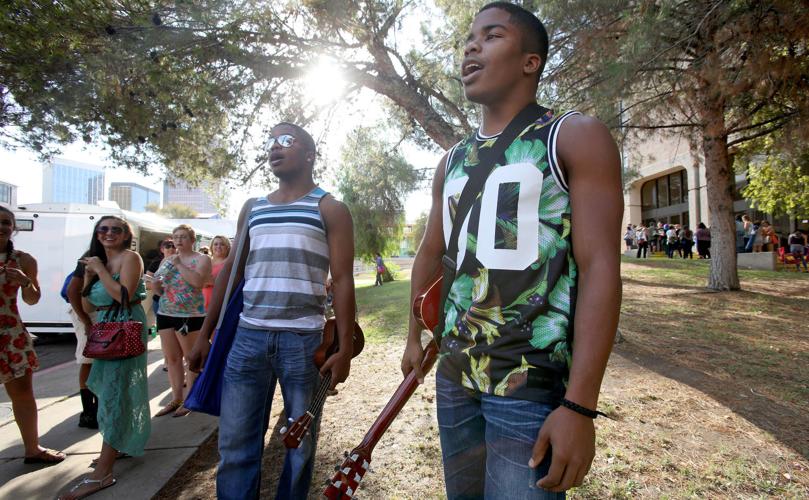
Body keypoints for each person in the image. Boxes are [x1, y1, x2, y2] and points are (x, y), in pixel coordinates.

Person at [401, 3, 623, 497]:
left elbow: (601, 267)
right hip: (455, 377)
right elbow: (430, 253)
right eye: (468, 38)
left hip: (531, 386)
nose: (471, 46)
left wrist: (581, 406)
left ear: (531, 61)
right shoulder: (451, 160)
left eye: (492, 35)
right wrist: (414, 337)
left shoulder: (574, 136)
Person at [188, 122, 357, 500]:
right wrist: (205, 336)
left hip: (303, 344)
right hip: (247, 341)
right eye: (270, 142)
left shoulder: (330, 208)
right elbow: (231, 273)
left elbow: (343, 280)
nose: (274, 148)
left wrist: (344, 349)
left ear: (310, 154)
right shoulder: (253, 208)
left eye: (286, 140)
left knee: (301, 447)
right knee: (235, 447)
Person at [59, 216, 150, 499]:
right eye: (103, 229)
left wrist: (99, 271)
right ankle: (118, 444)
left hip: (125, 328)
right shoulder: (96, 262)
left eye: (115, 229)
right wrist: (90, 275)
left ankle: (103, 474)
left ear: (126, 235)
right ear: (97, 234)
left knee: (114, 395)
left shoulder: (130, 258)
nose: (108, 233)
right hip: (105, 329)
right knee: (109, 391)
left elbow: (124, 296)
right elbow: (88, 303)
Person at [0, 206, 65, 466]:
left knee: (23, 393)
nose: (2, 226)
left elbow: (33, 299)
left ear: (13, 227)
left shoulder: (24, 260)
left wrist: (26, 281)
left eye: (6, 222)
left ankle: (32, 449)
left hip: (10, 333)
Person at [152, 224, 211, 418]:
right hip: (165, 312)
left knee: (190, 358)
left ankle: (190, 399)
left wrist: (179, 264)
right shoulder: (166, 261)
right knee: (172, 358)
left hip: (189, 315)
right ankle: (176, 397)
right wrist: (155, 285)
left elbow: (197, 282)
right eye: (175, 237)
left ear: (192, 240)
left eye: (183, 237)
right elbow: (159, 288)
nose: (178, 240)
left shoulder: (202, 259)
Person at [66, 251, 98, 429]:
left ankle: (97, 408)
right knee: (88, 361)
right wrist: (85, 320)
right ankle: (88, 412)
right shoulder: (90, 257)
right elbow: (72, 292)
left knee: (98, 362)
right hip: (88, 315)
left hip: (101, 315)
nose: (109, 234)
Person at [202, 235, 231, 310]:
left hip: (219, 304)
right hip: (201, 303)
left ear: (227, 247)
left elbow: (230, 283)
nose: (218, 246)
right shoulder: (206, 262)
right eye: (216, 244)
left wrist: (210, 282)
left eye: (222, 244)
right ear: (211, 247)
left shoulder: (230, 263)